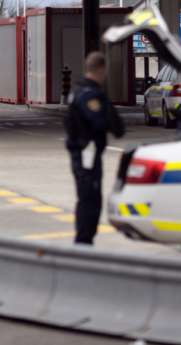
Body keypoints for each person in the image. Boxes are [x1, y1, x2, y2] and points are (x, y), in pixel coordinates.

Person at [64, 51, 125, 245]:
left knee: (90, 198)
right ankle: (83, 242)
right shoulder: (89, 95)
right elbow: (99, 122)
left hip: (86, 153)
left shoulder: (80, 91)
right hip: (85, 154)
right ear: (100, 69)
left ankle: (85, 241)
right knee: (89, 199)